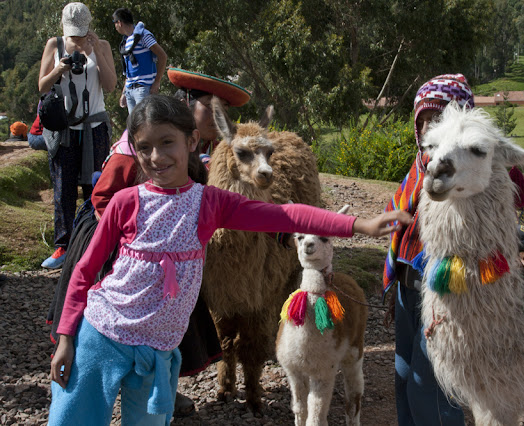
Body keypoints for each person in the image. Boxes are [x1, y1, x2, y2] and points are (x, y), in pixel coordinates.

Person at [48, 94, 411, 425]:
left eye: (167, 143)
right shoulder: (127, 203)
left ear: (191, 142)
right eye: (145, 147)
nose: (156, 157)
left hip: (157, 351)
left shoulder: (209, 204)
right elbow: (85, 269)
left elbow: (289, 217)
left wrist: (361, 224)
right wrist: (66, 337)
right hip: (102, 335)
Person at [384, 74, 524, 425]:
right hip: (409, 287)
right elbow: (402, 231)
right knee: (404, 378)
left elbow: (512, 237)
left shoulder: (486, 172)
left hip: (452, 292)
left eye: (437, 119)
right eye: (423, 120)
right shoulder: (421, 169)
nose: (427, 128)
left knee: (430, 390)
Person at [38, 2, 117, 269]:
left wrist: (93, 53)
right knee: (63, 187)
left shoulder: (101, 45)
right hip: (64, 129)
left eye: (81, 32)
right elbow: (42, 85)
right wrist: (59, 70)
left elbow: (109, 85)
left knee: (96, 187)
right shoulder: (54, 44)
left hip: (95, 127)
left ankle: (95, 244)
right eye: (73, 33)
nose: (76, 37)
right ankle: (63, 246)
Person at [113, 8, 167, 114]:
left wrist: (157, 82)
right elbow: (129, 71)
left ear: (119, 23)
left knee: (144, 124)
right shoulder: (127, 41)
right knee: (134, 126)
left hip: (143, 88)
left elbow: (163, 56)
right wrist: (124, 92)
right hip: (130, 89)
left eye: (114, 23)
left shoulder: (143, 35)